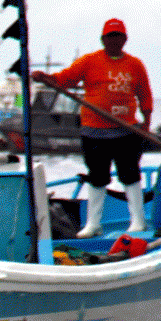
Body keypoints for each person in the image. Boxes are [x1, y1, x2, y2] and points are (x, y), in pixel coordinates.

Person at [32, 18, 153, 237]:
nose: (114, 40)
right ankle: (93, 224)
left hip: (126, 130)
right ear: (103, 39)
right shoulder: (89, 61)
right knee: (97, 176)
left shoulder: (135, 65)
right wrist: (45, 77)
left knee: (130, 174)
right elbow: (65, 79)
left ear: (124, 39)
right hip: (94, 131)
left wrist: (146, 123)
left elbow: (145, 96)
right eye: (110, 36)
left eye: (118, 36)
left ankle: (138, 221)